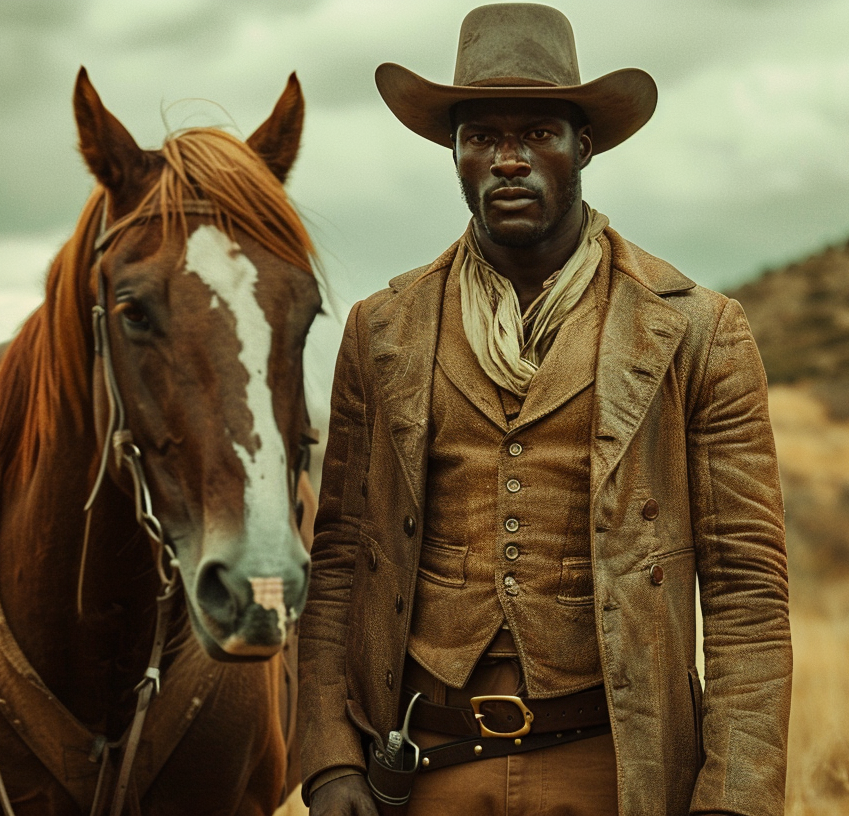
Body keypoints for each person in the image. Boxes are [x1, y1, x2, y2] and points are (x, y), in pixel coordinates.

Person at [298, 4, 791, 814]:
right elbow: (342, 562)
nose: (508, 161)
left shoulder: (697, 331)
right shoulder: (381, 330)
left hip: (610, 766)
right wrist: (328, 761)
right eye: (483, 137)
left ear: (583, 146)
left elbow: (747, 590)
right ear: (454, 153)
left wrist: (734, 798)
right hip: (425, 769)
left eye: (537, 135)